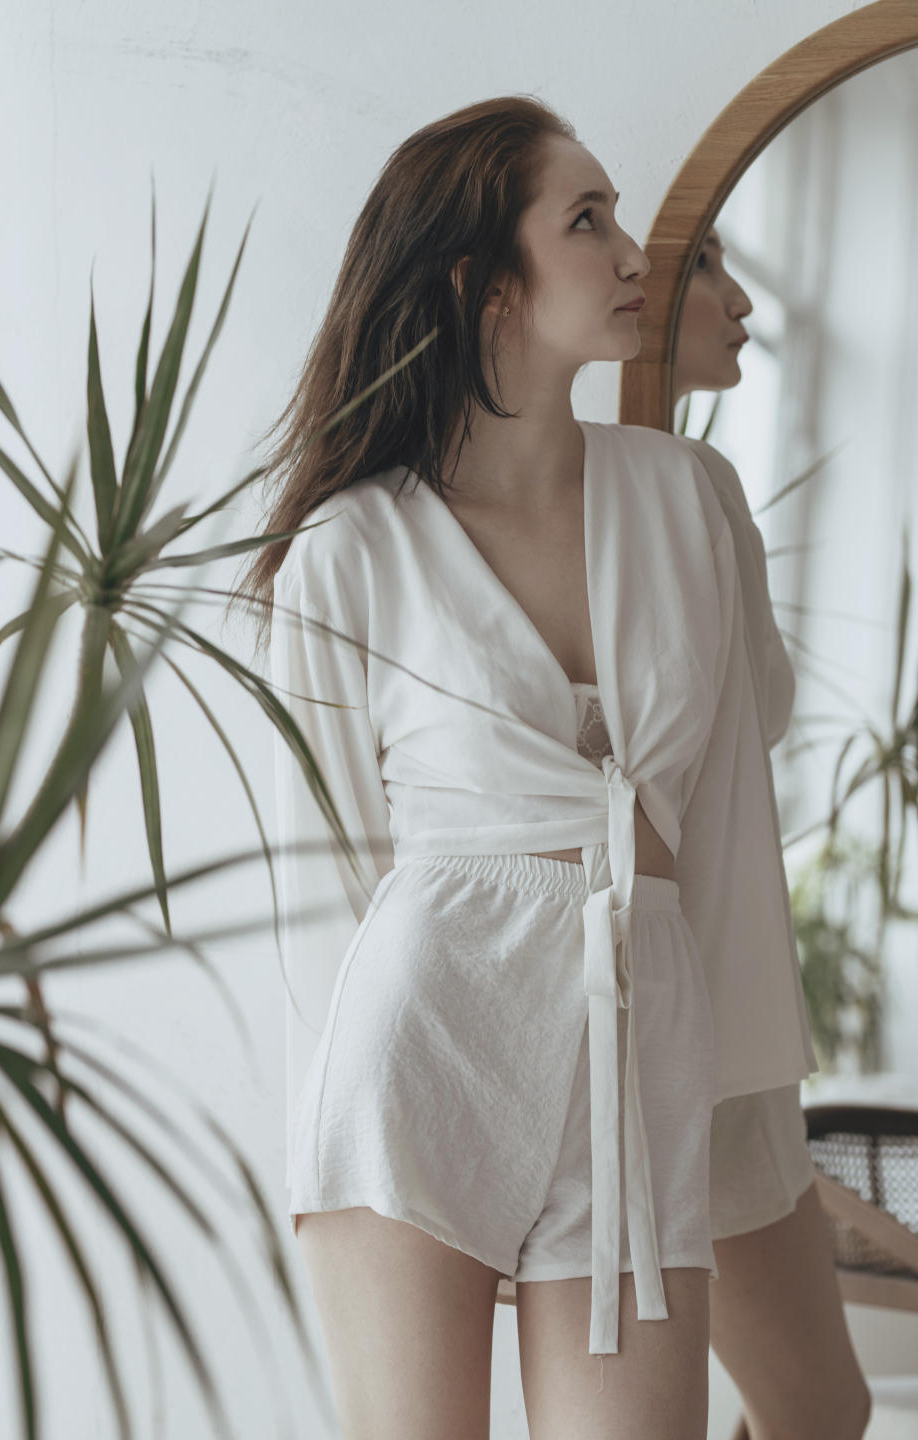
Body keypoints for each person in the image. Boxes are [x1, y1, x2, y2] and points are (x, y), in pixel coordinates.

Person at [234, 95, 864, 1439]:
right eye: (588, 221)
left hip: (640, 1042)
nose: (636, 254)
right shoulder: (351, 549)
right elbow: (323, 890)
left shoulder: (692, 500)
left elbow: (742, 747)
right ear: (486, 285)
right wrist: (319, 1153)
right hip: (423, 1054)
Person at [672, 231, 872, 1440]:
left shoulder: (679, 484)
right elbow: (769, 702)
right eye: (703, 266)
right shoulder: (689, 486)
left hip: (685, 1014)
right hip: (696, 1017)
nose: (740, 299)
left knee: (808, 1404)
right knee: (819, 1407)